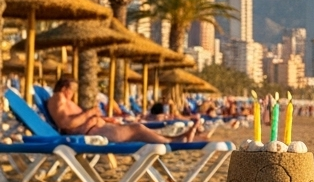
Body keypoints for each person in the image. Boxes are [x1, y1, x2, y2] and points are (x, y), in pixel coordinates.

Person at [48, 77, 205, 143]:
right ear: (64, 87)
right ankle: (174, 141)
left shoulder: (65, 100)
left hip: (95, 129)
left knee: (138, 129)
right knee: (137, 129)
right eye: (72, 90)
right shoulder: (58, 98)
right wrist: (90, 113)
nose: (73, 94)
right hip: (90, 134)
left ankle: (174, 139)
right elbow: (65, 122)